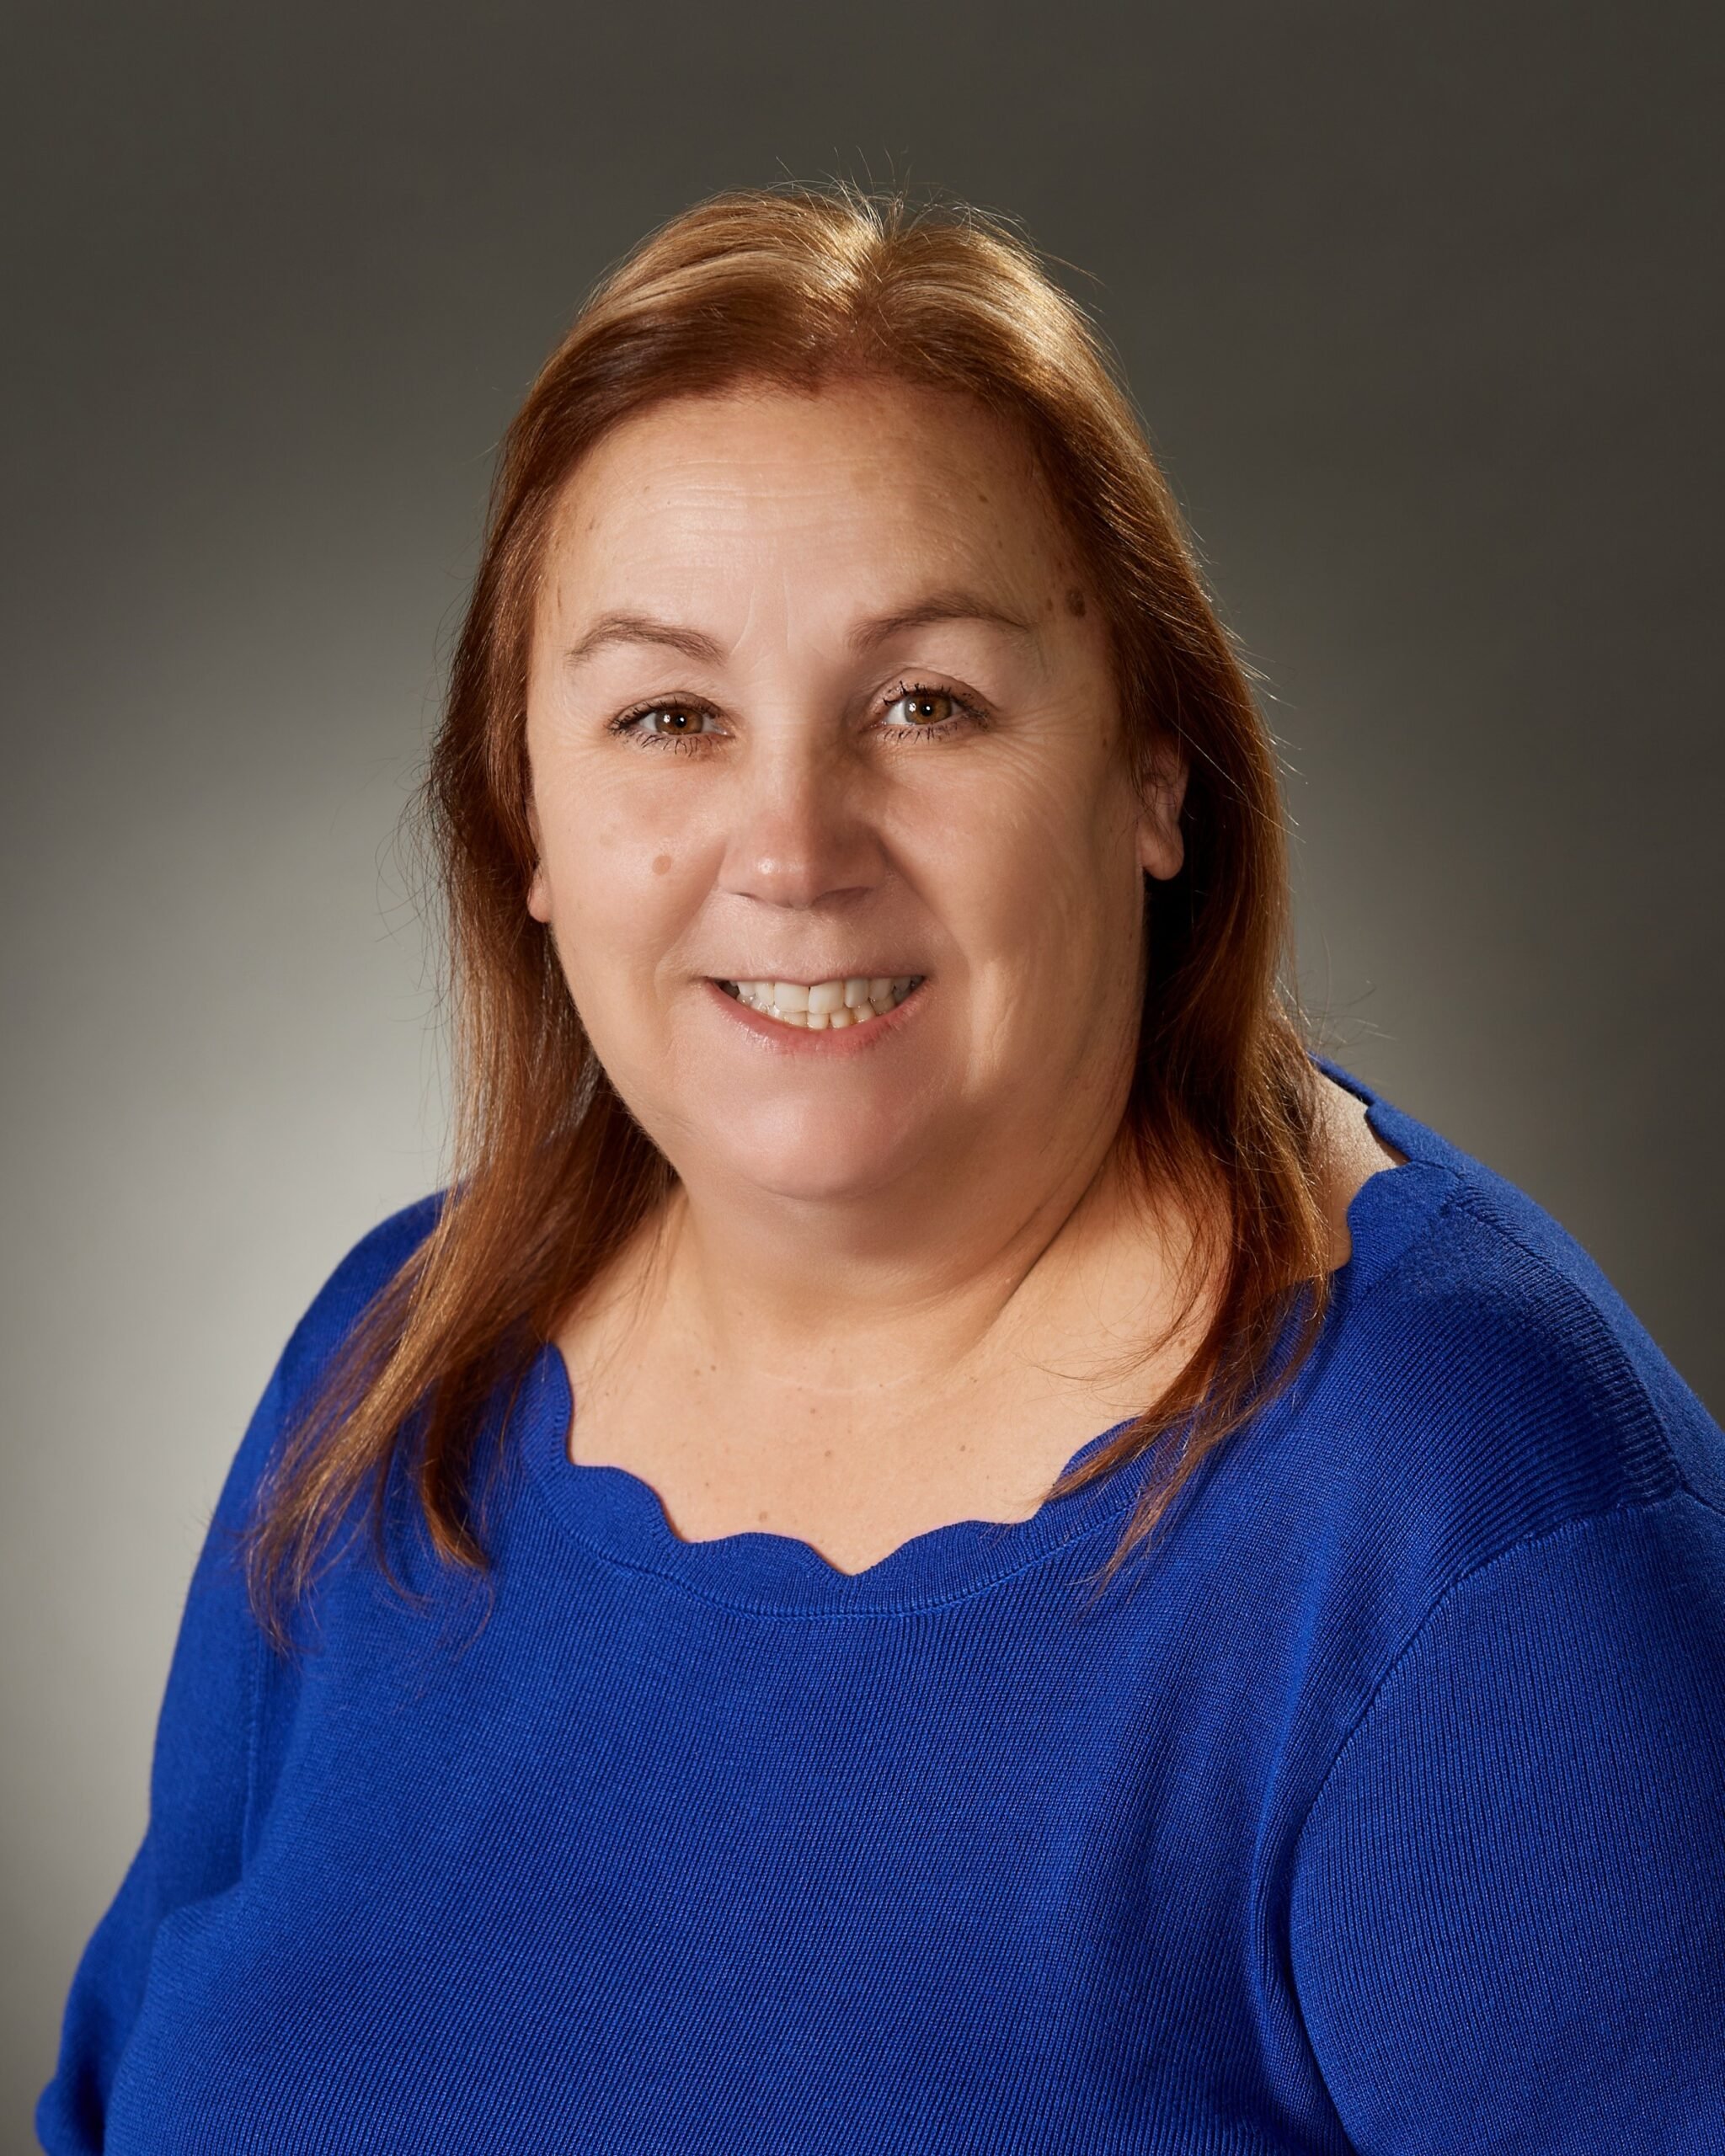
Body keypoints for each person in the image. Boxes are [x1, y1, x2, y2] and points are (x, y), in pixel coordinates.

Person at [38, 184, 1725, 2155]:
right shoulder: (394, 1370)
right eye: (667, 714)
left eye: (926, 702)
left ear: (1152, 775)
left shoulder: (1472, 1524)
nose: (792, 842)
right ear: (528, 826)